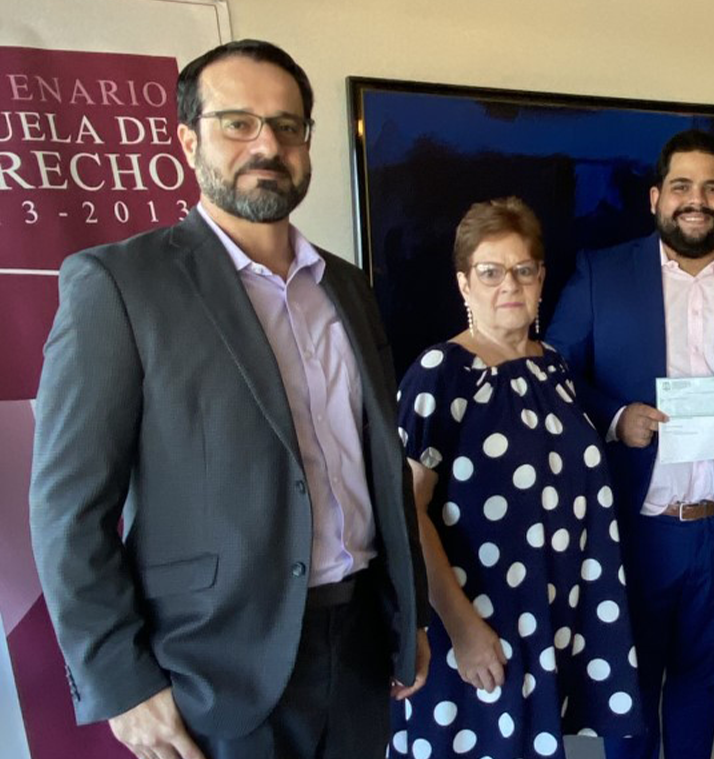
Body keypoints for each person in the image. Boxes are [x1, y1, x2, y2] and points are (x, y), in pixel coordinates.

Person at [28, 40, 430, 759]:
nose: (267, 144)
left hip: (364, 645)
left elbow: (377, 463)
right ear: (189, 141)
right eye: (238, 122)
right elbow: (68, 507)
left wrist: (407, 616)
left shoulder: (346, 286)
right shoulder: (119, 285)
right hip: (214, 666)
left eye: (287, 125)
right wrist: (119, 681)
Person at [546, 129, 714, 759]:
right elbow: (553, 373)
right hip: (632, 530)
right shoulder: (601, 274)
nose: (696, 200)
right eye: (681, 186)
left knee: (702, 683)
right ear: (654, 198)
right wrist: (616, 419)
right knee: (630, 691)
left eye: (712, 188)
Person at [390, 197, 642, 759]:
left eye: (523, 269)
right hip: (477, 625)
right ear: (464, 284)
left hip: (548, 615)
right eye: (490, 271)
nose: (510, 284)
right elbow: (407, 513)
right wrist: (463, 629)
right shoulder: (441, 374)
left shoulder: (553, 366)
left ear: (541, 277)